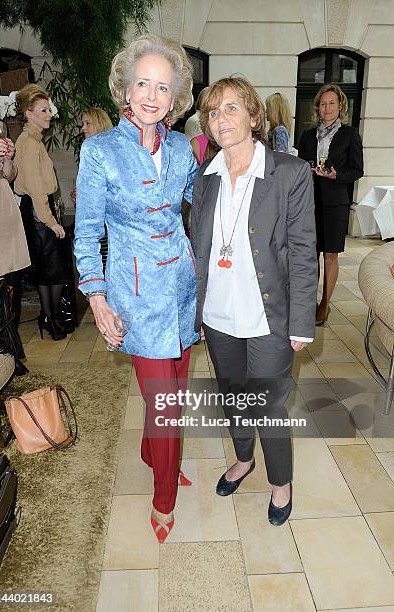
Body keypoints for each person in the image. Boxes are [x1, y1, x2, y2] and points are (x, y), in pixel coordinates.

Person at [74, 34, 198, 543]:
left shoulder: (180, 148)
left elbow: (204, 201)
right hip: (137, 297)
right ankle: (163, 498)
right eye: (143, 82)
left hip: (184, 290)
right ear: (126, 89)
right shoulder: (99, 151)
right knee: (164, 404)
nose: (152, 94)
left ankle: (153, 454)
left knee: (176, 394)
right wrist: (97, 298)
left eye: (163, 87)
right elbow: (87, 231)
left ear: (175, 98)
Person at [191, 76, 317, 525]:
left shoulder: (289, 172)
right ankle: (243, 459)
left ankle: (280, 481)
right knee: (233, 395)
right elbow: (199, 247)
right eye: (212, 111)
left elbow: (304, 251)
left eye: (230, 108)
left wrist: (302, 322)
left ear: (253, 116)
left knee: (268, 404)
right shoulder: (204, 179)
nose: (220, 119)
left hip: (269, 317)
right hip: (219, 314)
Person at [298, 83, 364, 325]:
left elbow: (357, 170)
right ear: (317, 107)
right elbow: (300, 165)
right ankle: (309, 302)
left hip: (335, 203)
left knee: (330, 256)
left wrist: (337, 176)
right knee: (309, 255)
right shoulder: (307, 136)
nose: (326, 108)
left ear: (341, 107)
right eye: (323, 104)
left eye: (331, 103)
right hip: (310, 202)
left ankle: (325, 304)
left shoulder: (350, 135)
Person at [14, 84, 68, 341]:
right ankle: (51, 318)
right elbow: (35, 188)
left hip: (35, 210)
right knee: (55, 272)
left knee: (48, 272)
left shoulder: (32, 140)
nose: (49, 114)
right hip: (37, 211)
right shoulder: (29, 143)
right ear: (28, 113)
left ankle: (50, 318)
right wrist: (50, 221)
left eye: (48, 109)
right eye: (44, 110)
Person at [0, 59, 31, 375]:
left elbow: (10, 175)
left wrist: (6, 161)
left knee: (9, 285)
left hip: (4, 208)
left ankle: (7, 354)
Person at [70, 107, 113, 268]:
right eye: (83, 123)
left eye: (88, 123)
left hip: (109, 225)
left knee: (106, 265)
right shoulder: (90, 150)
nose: (83, 128)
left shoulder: (108, 153)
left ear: (99, 124)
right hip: (97, 225)